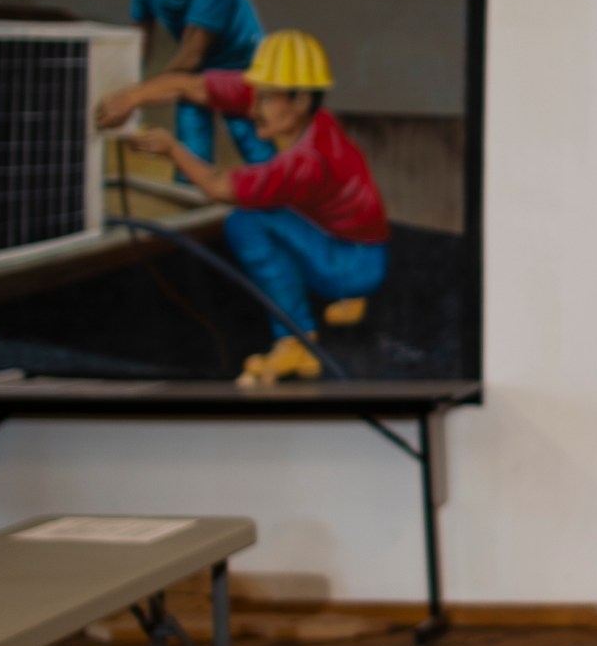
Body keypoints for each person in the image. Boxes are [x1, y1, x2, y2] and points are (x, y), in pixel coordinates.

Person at [95, 29, 387, 386]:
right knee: (274, 210)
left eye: (264, 99)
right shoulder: (301, 116)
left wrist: (172, 149)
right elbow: (190, 87)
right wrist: (130, 98)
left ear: (300, 100)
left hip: (355, 262)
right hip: (348, 239)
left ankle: (296, 341)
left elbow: (218, 186)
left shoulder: (307, 162)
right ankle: (344, 297)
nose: (252, 108)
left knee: (246, 223)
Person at [128, 0, 271, 173]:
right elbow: (139, 46)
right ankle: (192, 198)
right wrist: (129, 95)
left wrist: (135, 97)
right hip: (198, 71)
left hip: (242, 69)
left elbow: (193, 51)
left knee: (251, 138)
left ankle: (277, 203)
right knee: (191, 144)